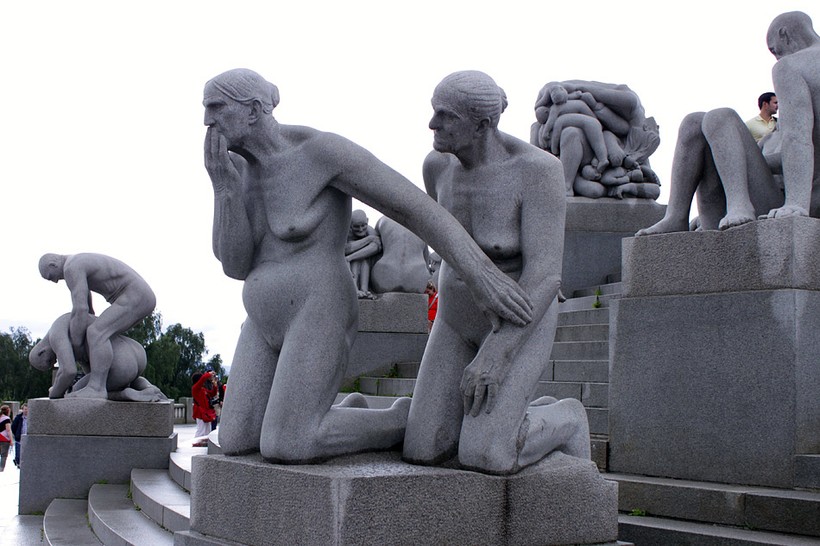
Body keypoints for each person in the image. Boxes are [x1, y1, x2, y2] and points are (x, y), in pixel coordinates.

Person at [203, 68, 532, 464]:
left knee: (287, 443)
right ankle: (348, 413)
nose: (207, 120)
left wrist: (481, 274)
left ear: (254, 110)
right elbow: (236, 265)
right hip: (260, 317)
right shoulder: (234, 170)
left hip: (316, 307)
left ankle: (398, 419)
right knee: (236, 438)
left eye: (216, 107)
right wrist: (223, 187)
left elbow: (414, 208)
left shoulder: (321, 153)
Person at [402, 71, 590, 475]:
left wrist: (496, 353)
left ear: (482, 124)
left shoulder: (537, 171)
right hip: (454, 320)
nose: (432, 124)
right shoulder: (437, 167)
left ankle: (566, 419)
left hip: (519, 320)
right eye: (433, 112)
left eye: (446, 116)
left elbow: (545, 275)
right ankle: (509, 413)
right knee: (422, 447)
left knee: (486, 453)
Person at [638, 11, 820, 235]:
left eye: (775, 50)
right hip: (785, 198)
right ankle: (676, 216)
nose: (777, 58)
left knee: (720, 117)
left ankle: (739, 205)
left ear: (785, 34)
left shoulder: (791, 66)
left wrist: (796, 205)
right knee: (693, 122)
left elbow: (797, 137)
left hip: (801, 204)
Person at [37, 253, 156, 399]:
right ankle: (141, 386)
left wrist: (77, 343)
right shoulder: (77, 262)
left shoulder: (71, 267)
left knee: (96, 332)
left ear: (53, 264)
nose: (55, 281)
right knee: (102, 334)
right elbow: (88, 310)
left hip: (134, 295)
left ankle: (96, 387)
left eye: (51, 277)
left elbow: (80, 309)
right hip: (139, 295)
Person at [29, 313, 166, 401]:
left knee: (78, 391)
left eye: (50, 361)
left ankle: (124, 394)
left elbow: (68, 371)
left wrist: (55, 392)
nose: (55, 362)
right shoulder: (69, 323)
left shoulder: (56, 334)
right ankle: (147, 388)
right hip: (136, 352)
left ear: (41, 352)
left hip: (120, 363)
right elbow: (93, 369)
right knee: (128, 380)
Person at [345, 209, 381, 298]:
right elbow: (344, 249)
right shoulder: (345, 232)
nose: (361, 229)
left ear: (367, 221)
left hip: (358, 260)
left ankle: (364, 290)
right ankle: (355, 290)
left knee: (363, 259)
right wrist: (368, 239)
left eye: (363, 225)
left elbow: (377, 246)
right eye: (356, 226)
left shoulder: (370, 231)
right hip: (349, 264)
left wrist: (350, 257)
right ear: (350, 225)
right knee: (357, 262)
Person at [192, 371, 218, 440]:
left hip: (205, 413)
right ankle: (196, 444)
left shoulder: (202, 389)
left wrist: (215, 386)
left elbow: (212, 394)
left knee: (207, 431)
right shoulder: (195, 388)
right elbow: (202, 379)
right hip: (200, 413)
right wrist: (209, 374)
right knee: (201, 431)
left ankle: (204, 444)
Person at [11, 404, 27, 468]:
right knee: (18, 452)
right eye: (25, 409)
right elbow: (13, 427)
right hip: (19, 438)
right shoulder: (18, 417)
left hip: (27, 437)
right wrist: (16, 434)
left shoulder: (32, 418)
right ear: (22, 410)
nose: (26, 411)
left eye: (27, 409)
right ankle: (18, 463)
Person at [0, 405, 12, 471]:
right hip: (4, 438)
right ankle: (1, 468)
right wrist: (11, 440)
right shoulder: (7, 418)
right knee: (3, 455)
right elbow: (8, 430)